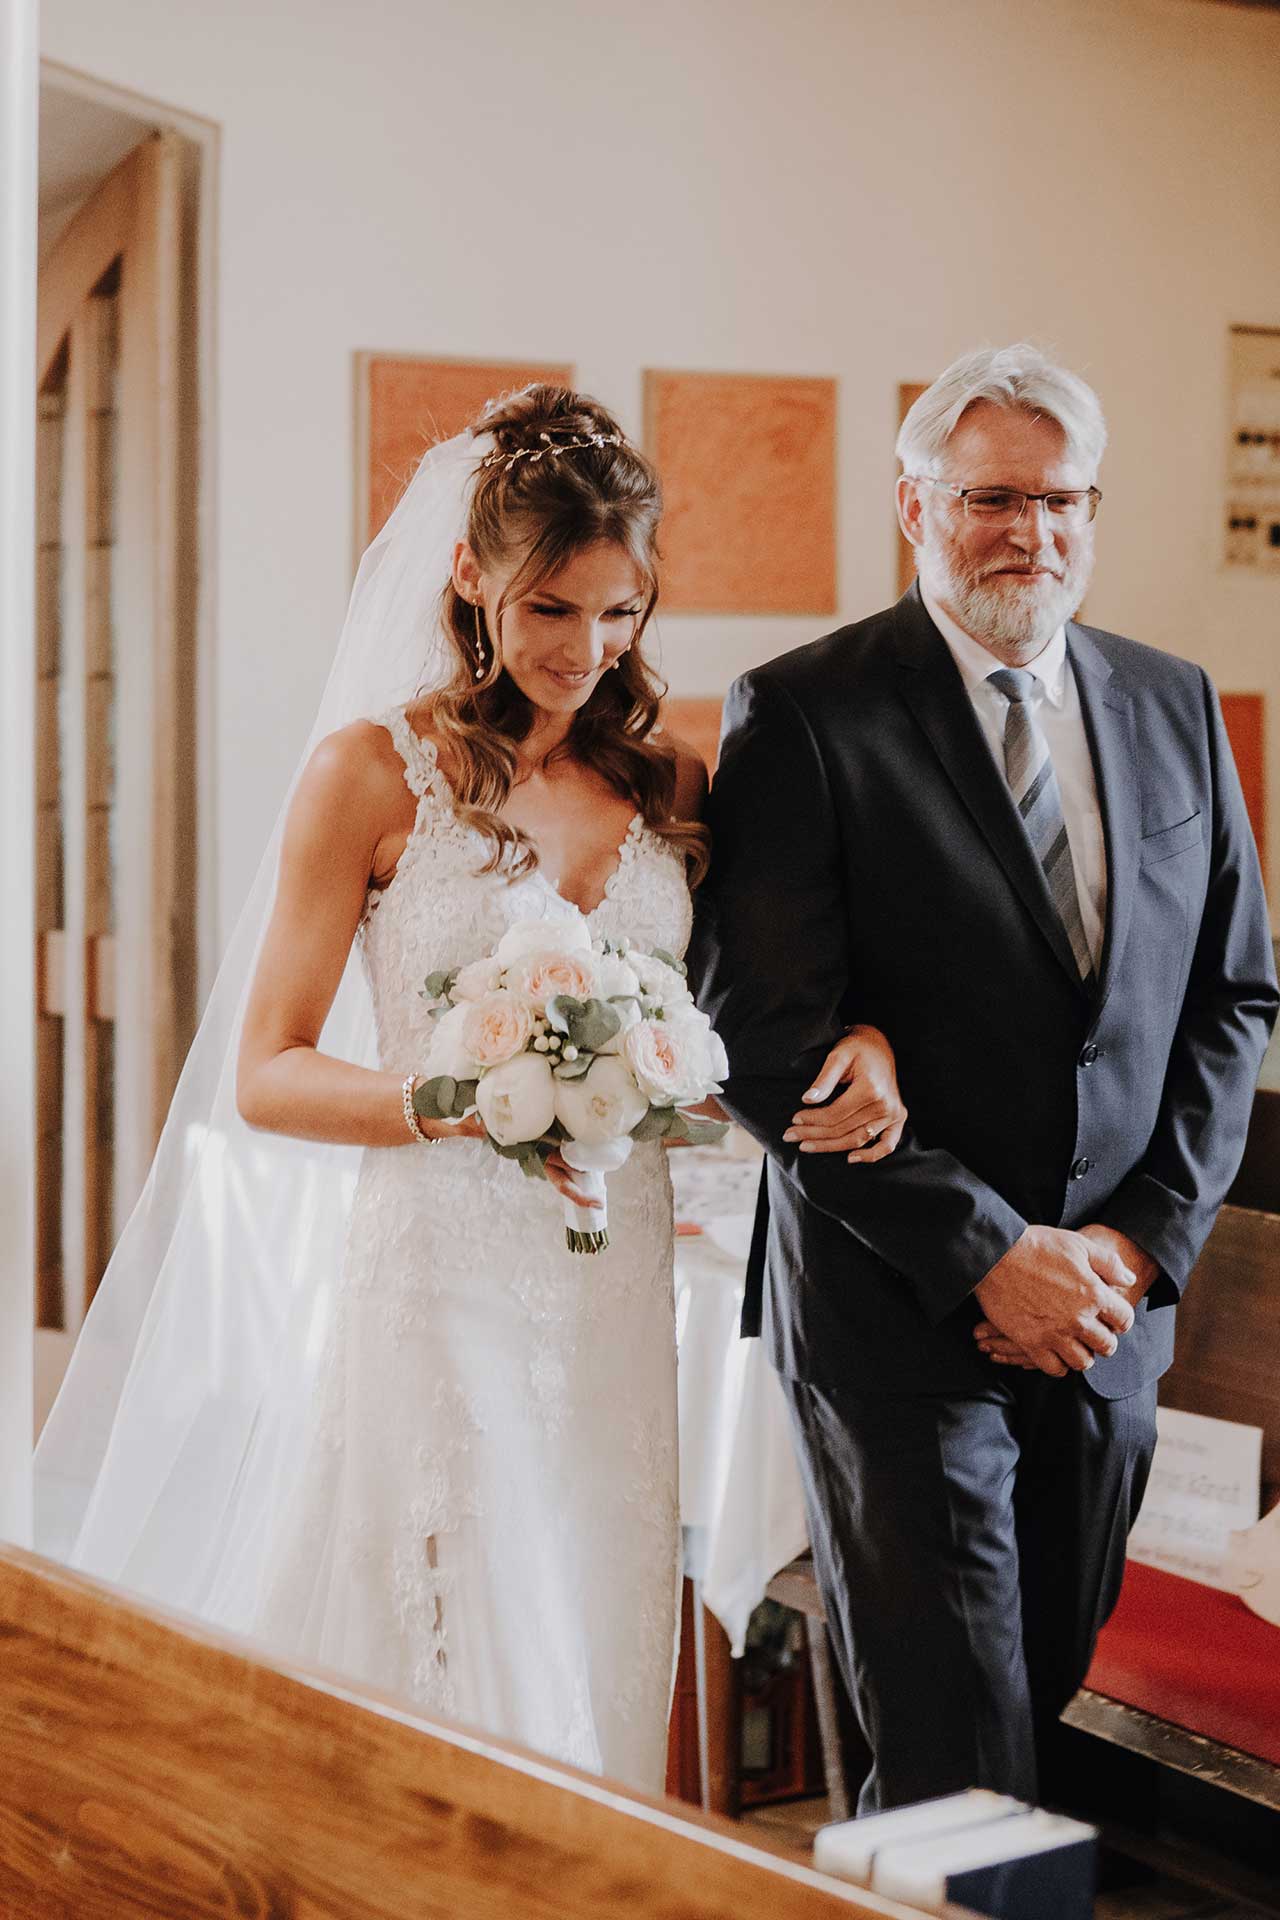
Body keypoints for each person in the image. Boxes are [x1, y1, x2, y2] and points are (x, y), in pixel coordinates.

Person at [35, 385, 900, 1795]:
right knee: (459, 1643)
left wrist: (839, 1051)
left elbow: (747, 1019)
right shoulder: (372, 774)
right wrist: (458, 1100)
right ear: (469, 576)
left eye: (620, 612)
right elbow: (267, 1071)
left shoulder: (673, 783)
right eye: (551, 608)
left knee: (592, 1626)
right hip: (436, 1278)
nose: (587, 648)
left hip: (611, 1288)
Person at [689, 345, 1278, 1811]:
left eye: (1065, 499)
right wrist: (991, 1255)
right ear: (915, 505)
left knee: (1032, 1721)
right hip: (901, 1320)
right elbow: (762, 1040)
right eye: (994, 498)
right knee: (957, 1753)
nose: (1035, 533)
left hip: (1105, 1327)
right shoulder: (807, 713)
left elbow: (1232, 994)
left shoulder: (1172, 700)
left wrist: (1131, 1251)